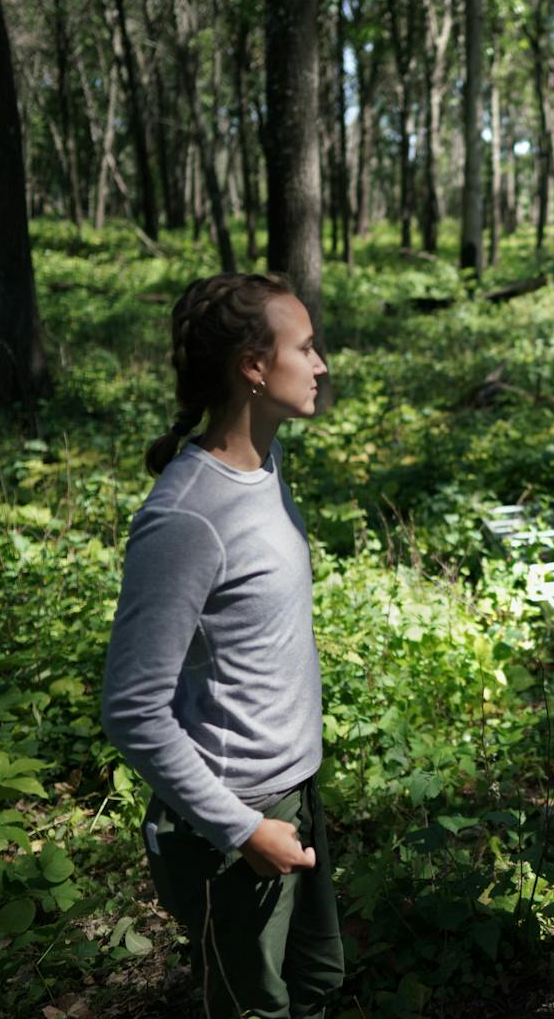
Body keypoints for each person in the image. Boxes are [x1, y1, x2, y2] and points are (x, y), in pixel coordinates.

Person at [102, 273, 342, 1018]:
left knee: (318, 983)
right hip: (234, 825)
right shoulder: (185, 517)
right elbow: (132, 708)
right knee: (252, 1009)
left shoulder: (265, 465)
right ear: (253, 366)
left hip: (293, 793)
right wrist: (244, 831)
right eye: (306, 347)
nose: (323, 363)